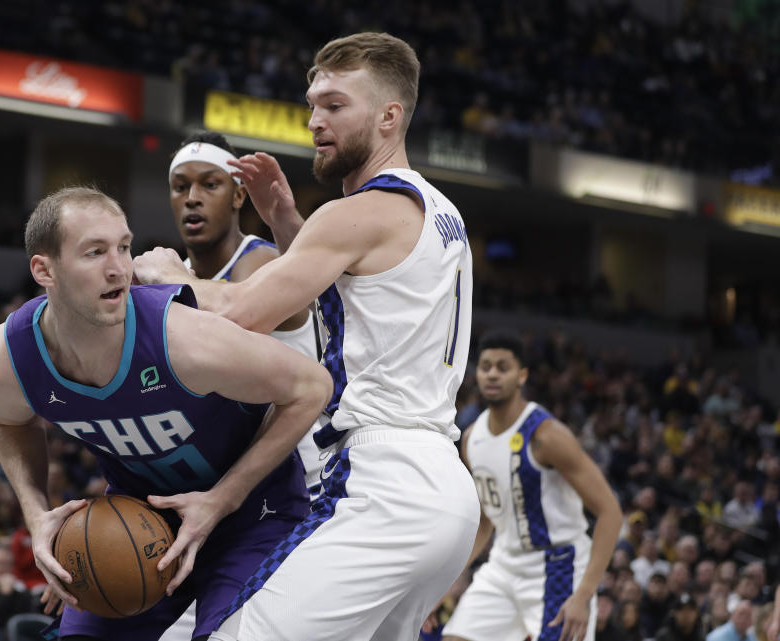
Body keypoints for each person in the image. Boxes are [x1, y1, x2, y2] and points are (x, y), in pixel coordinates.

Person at [134, 32, 482, 641]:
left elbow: (242, 312)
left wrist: (168, 276)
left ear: (389, 116)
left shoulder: (358, 213)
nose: (315, 121)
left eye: (335, 105)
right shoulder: (437, 209)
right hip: (441, 485)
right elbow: (344, 302)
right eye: (312, 105)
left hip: (379, 479)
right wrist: (288, 222)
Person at [0, 186, 332, 641]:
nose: (118, 268)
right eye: (94, 252)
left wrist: (221, 500)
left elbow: (311, 387)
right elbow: (8, 422)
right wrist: (37, 514)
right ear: (45, 270)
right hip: (142, 519)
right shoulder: (5, 358)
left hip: (251, 512)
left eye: (124, 247)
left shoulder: (184, 338)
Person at [160, 132, 323, 641]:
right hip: (216, 492)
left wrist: (166, 281)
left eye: (209, 184)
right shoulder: (172, 273)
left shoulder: (266, 263)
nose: (191, 197)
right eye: (179, 186)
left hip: (300, 486)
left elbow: (234, 308)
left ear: (236, 195)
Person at [432, 330, 622, 641]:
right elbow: (485, 521)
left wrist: (584, 595)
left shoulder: (547, 435)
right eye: (486, 366)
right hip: (503, 566)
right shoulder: (471, 438)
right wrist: (446, 583)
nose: (493, 374)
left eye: (503, 367)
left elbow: (610, 513)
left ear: (522, 376)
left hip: (558, 567)